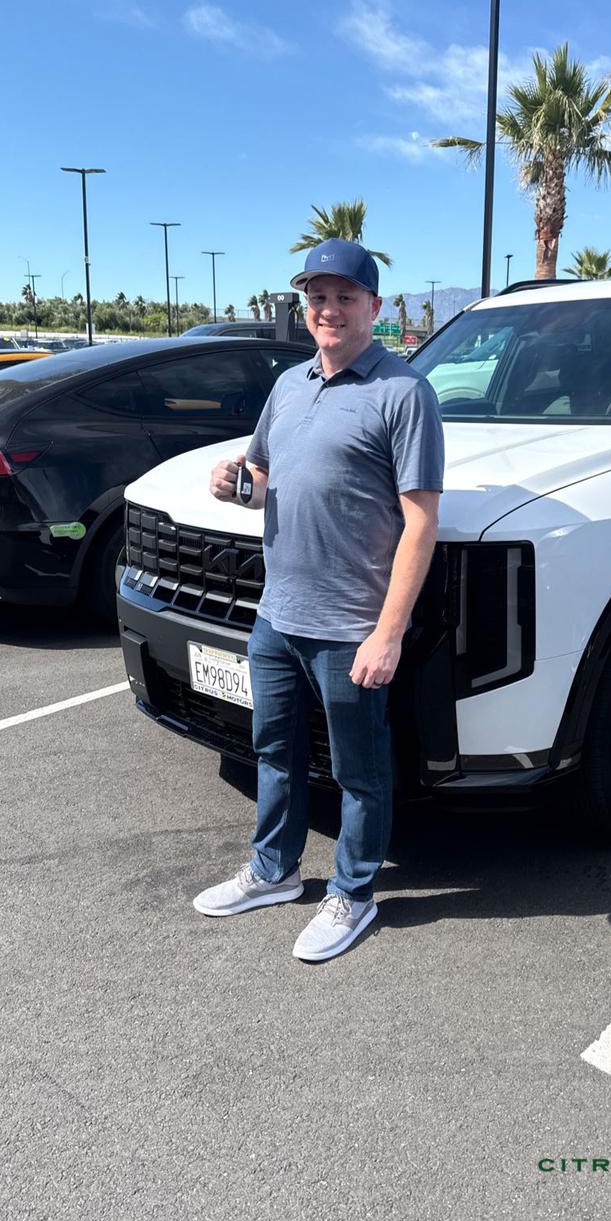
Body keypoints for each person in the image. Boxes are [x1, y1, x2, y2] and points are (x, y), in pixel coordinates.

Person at [192, 238, 445, 962]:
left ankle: (353, 893)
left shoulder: (404, 393)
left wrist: (387, 632)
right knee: (273, 750)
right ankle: (273, 871)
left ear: (373, 306)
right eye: (317, 297)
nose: (328, 309)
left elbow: (421, 521)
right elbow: (267, 481)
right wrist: (236, 486)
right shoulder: (289, 385)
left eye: (344, 297)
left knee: (359, 771)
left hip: (350, 626)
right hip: (277, 615)